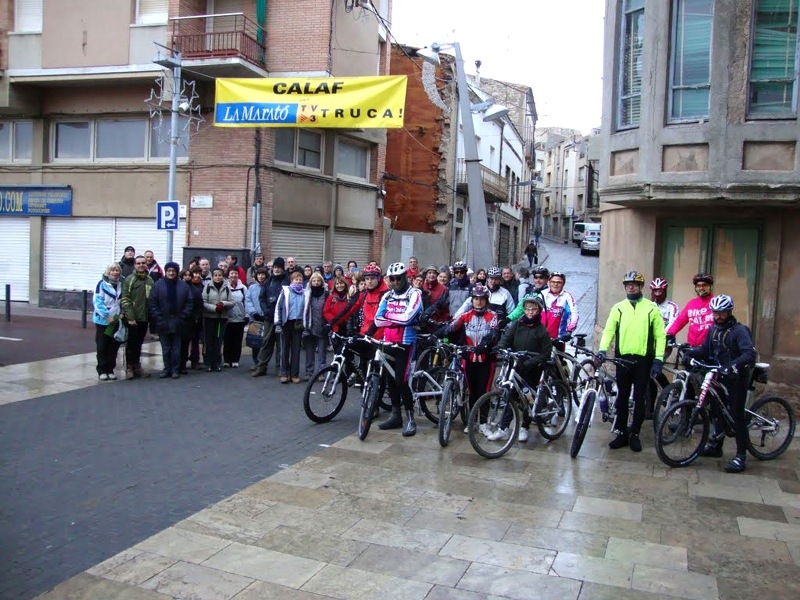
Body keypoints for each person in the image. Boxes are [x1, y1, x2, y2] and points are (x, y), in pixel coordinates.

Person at [683, 295, 756, 473]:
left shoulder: (739, 331)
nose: (718, 316)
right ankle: (717, 446)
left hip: (737, 376)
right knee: (717, 410)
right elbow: (705, 350)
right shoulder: (713, 329)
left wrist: (731, 366)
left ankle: (741, 456)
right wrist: (690, 353)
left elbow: (749, 354)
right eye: (715, 313)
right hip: (719, 375)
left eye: (722, 313)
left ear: (729, 311)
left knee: (736, 414)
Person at [596, 271, 667, 452]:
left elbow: (660, 336)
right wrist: (602, 350)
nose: (631, 287)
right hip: (623, 359)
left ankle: (635, 432)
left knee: (639, 397)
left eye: (635, 284)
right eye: (628, 285)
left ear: (641, 287)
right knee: (622, 397)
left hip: (643, 359)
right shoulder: (618, 308)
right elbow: (609, 331)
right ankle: (621, 432)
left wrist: (658, 360)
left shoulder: (651, 308)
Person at [435, 284, 499, 433]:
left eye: (482, 299)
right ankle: (471, 422)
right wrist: (435, 335)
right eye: (476, 299)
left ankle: (483, 423)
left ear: (486, 300)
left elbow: (493, 333)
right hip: (469, 359)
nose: (479, 302)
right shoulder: (466, 316)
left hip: (486, 360)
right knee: (472, 391)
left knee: (484, 391)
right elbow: (451, 327)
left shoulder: (492, 316)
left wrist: (484, 344)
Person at [372, 262, 424, 436]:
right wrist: (395, 318)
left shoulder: (415, 293)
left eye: (398, 278)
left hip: (406, 343)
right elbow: (377, 320)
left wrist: (388, 316)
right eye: (392, 279)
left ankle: (410, 418)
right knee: (389, 380)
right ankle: (396, 416)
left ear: (405, 277)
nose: (395, 282)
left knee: (401, 380)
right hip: (388, 341)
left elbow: (408, 317)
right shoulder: (387, 296)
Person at [493, 295, 553, 442]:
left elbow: (545, 353)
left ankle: (525, 426)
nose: (530, 312)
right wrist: (501, 347)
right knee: (510, 395)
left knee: (528, 398)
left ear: (538, 310)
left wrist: (530, 362)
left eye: (533, 309)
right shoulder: (517, 325)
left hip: (532, 368)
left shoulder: (542, 331)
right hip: (516, 365)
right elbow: (506, 337)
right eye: (527, 309)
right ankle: (503, 428)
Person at [148, 261, 193, 378]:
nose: (171, 273)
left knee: (177, 348)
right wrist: (158, 317)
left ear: (177, 272)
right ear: (166, 272)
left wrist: (183, 317)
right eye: (169, 271)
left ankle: (175, 370)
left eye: (173, 271)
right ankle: (166, 368)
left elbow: (189, 303)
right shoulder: (158, 285)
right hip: (163, 321)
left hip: (178, 322)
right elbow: (153, 303)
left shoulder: (184, 286)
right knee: (166, 348)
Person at [252, 257, 291, 377]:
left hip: (282, 318)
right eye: (275, 267)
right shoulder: (268, 281)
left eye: (279, 268)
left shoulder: (287, 281)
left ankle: (280, 369)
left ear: (282, 269)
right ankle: (261, 367)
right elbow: (262, 298)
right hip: (269, 317)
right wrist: (266, 310)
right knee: (266, 342)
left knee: (281, 344)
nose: (277, 270)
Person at [120, 255, 154, 379]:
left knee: (139, 343)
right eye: (138, 263)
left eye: (143, 263)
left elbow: (152, 299)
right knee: (131, 343)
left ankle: (137, 366)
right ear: (135, 265)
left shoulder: (150, 280)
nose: (141, 265)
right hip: (132, 318)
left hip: (144, 318)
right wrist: (130, 317)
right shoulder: (130, 279)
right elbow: (125, 298)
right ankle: (129, 367)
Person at [666, 272, 715, 347]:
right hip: (692, 347)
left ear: (710, 286)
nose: (701, 288)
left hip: (710, 348)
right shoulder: (691, 304)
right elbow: (680, 321)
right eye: (698, 286)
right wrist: (670, 333)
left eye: (704, 285)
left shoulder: (716, 302)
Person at [92, 263, 123, 381]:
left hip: (116, 320)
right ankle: (102, 370)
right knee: (102, 346)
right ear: (108, 272)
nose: (115, 273)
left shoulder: (120, 285)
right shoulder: (101, 284)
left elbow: (121, 301)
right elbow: (97, 302)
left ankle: (110, 369)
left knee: (113, 346)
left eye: (117, 270)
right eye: (113, 271)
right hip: (103, 321)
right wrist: (106, 316)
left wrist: (121, 313)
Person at [275, 270, 307, 383]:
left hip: (298, 324)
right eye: (296, 279)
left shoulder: (305, 293)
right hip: (286, 323)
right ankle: (284, 373)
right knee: (284, 349)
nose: (298, 281)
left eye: (300, 280)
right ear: (291, 280)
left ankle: (294, 374)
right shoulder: (285, 291)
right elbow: (278, 307)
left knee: (296, 350)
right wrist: (278, 323)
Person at [202, 268, 233, 372]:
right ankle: (209, 363)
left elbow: (232, 302)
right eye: (215, 275)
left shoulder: (227, 288)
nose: (218, 277)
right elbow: (204, 302)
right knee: (209, 341)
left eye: (219, 275)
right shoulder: (207, 287)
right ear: (213, 277)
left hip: (221, 318)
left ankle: (217, 363)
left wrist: (223, 304)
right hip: (210, 318)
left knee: (218, 341)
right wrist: (214, 308)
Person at [303, 272, 329, 380]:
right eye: (314, 281)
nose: (316, 283)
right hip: (309, 325)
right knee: (309, 351)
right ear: (310, 282)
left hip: (322, 325)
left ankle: (321, 372)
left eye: (318, 281)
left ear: (322, 282)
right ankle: (309, 372)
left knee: (322, 351)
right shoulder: (306, 293)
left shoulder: (326, 294)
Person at [541, 271, 579, 339]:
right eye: (553, 282)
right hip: (539, 337)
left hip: (558, 339)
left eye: (559, 282)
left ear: (563, 284)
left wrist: (569, 330)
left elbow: (574, 314)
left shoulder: (567, 297)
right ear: (549, 282)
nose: (555, 284)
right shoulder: (542, 294)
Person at [181, 268, 204, 373]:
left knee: (195, 341)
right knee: (183, 343)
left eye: (189, 275)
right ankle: (182, 363)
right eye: (185, 275)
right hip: (181, 319)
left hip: (193, 320)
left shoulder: (195, 290)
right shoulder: (178, 288)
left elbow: (199, 305)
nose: (187, 277)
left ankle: (195, 360)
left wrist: (196, 317)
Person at [223, 267, 247, 368]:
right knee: (227, 340)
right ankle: (227, 360)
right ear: (228, 275)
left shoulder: (243, 288)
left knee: (237, 340)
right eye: (232, 273)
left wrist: (246, 315)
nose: (234, 276)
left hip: (239, 318)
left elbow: (246, 302)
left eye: (235, 273)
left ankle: (235, 359)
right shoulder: (224, 287)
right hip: (227, 318)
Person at [245, 268, 267, 367]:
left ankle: (263, 362)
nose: (261, 277)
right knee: (255, 342)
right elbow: (248, 301)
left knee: (265, 342)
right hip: (255, 319)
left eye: (263, 275)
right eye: (259, 275)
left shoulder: (268, 286)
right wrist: (254, 313)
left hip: (266, 318)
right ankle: (256, 363)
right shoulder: (252, 288)